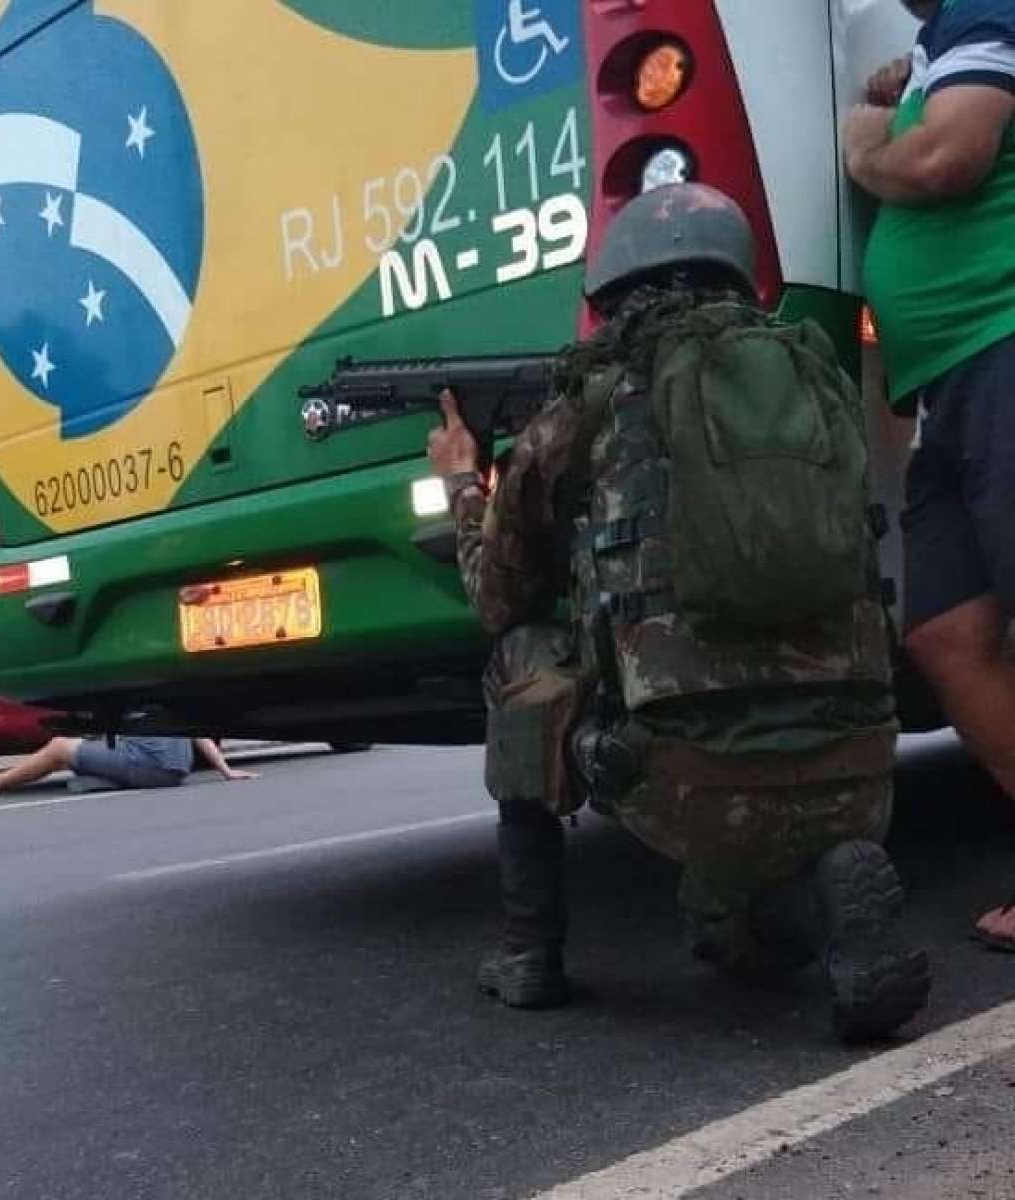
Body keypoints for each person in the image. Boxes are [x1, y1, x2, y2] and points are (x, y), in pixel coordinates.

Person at [428, 183, 930, 1042]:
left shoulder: (589, 404)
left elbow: (497, 597)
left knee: (518, 657)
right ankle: (826, 890)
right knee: (729, 931)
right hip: (859, 770)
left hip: (679, 781)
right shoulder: (816, 384)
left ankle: (528, 953)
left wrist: (461, 484)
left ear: (617, 290)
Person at [847, 0, 1015, 946]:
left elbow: (947, 159)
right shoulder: (944, 44)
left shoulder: (988, 8)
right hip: (951, 381)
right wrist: (905, 86)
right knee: (945, 632)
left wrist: (864, 146)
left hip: (1003, 344)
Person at [0, 735, 257, 795]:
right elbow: (199, 732)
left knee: (59, 747)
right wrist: (225, 769)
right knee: (83, 749)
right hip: (178, 768)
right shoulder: (170, 682)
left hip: (149, 765)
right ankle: (100, 779)